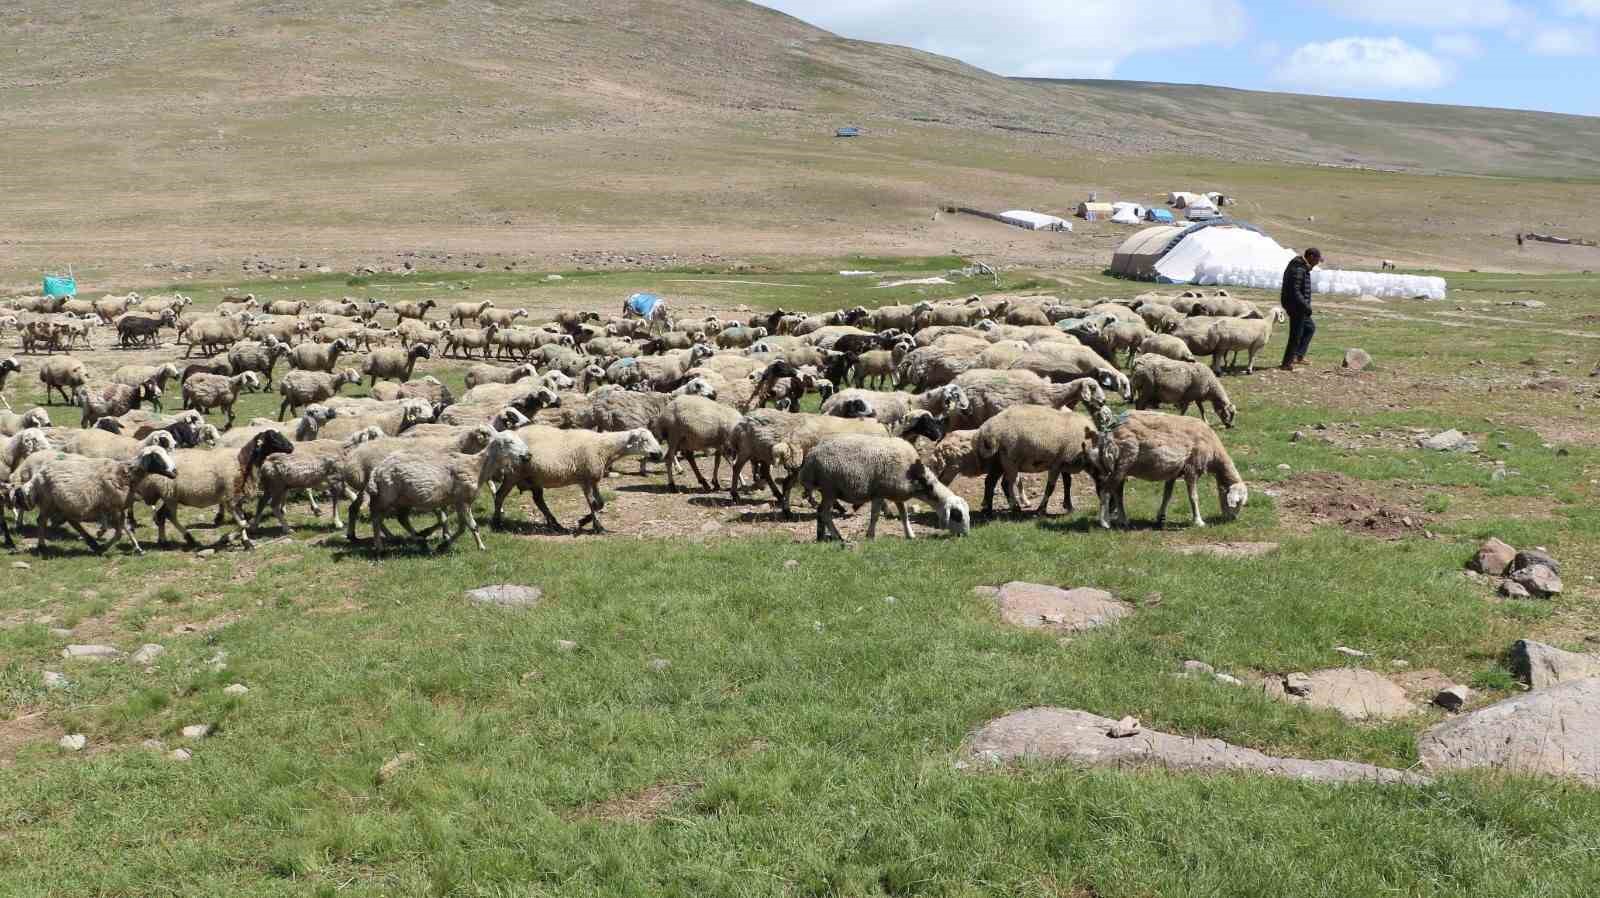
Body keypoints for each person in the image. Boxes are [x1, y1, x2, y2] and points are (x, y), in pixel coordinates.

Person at [1280, 247, 1321, 371]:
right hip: (1296, 306)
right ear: (1311, 257)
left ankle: (1298, 356)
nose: (1317, 263)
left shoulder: (1302, 267)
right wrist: (1305, 305)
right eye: (1317, 260)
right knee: (1296, 335)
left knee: (1309, 328)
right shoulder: (1298, 268)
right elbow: (1295, 291)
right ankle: (1287, 363)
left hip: (1299, 305)